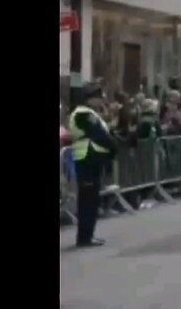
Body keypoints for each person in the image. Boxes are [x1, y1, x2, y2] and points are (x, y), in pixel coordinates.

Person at [68, 83, 119, 247]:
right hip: (88, 157)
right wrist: (113, 147)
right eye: (98, 97)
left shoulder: (88, 113)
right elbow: (98, 134)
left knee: (91, 198)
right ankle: (84, 237)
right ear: (90, 98)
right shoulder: (84, 114)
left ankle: (87, 235)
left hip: (90, 157)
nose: (100, 101)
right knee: (88, 199)